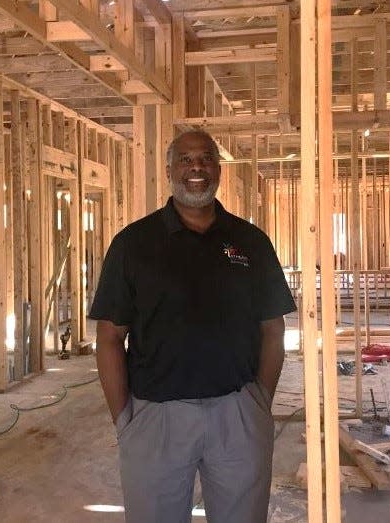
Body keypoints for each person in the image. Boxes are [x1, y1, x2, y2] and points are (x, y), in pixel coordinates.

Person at [89, 130, 296, 523]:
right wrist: (125, 421)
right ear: (169, 169)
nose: (196, 167)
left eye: (205, 158)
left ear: (218, 168)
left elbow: (273, 328)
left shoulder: (250, 242)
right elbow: (110, 336)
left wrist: (258, 404)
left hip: (237, 415)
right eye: (185, 159)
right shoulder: (134, 244)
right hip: (158, 417)